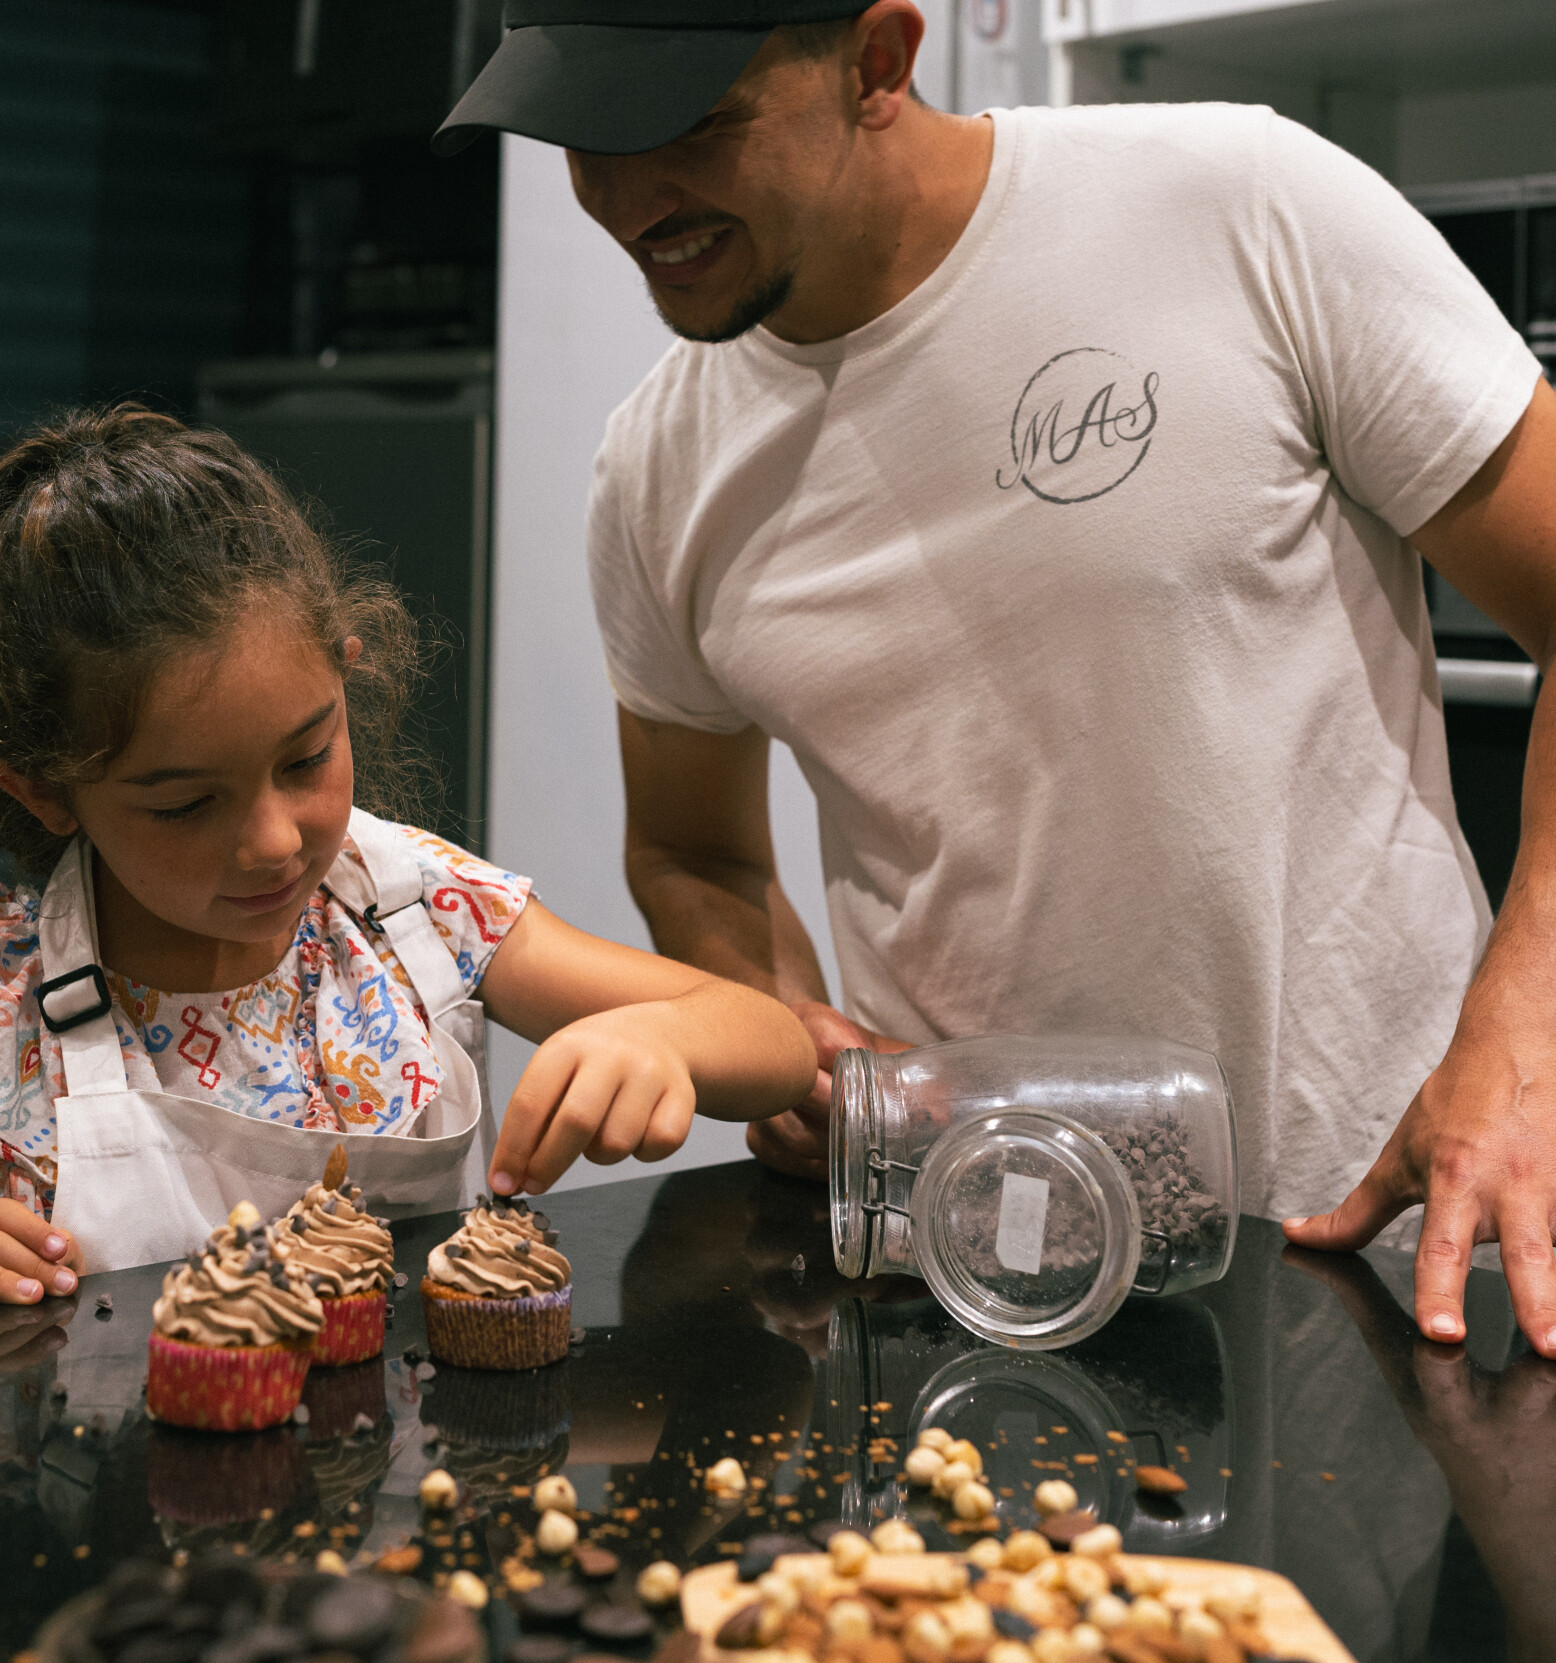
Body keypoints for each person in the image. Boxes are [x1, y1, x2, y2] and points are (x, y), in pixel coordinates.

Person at [435, 0, 1556, 1354]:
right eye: (581, 139)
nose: (625, 197)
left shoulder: (1244, 205)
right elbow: (694, 854)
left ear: (879, 62)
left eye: (690, 126)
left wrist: (1517, 1036)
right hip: (963, 1270)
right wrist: (782, 1033)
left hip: (1379, 1232)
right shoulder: (658, 469)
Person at [0, 408, 816, 1310]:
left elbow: (774, 1044)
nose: (275, 839)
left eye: (306, 757)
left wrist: (660, 1039)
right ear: (47, 791)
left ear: (345, 672)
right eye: (187, 803)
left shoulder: (416, 909)